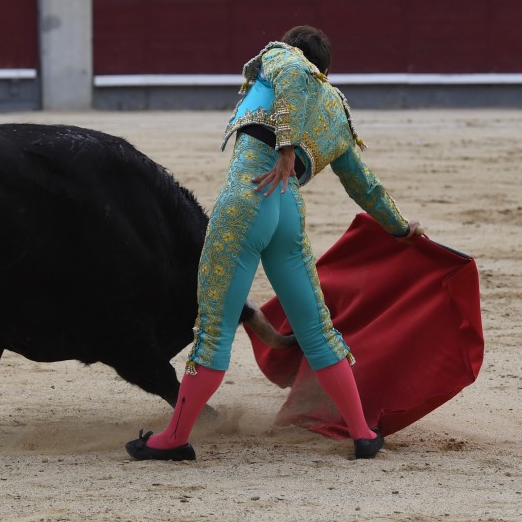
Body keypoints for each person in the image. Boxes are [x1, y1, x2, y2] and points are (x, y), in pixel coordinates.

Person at [125, 25, 422, 462]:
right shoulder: (335, 108)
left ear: (296, 50)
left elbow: (294, 77)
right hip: (287, 212)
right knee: (318, 331)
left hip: (249, 197)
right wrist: (400, 227)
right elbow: (363, 184)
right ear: (328, 70)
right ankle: (362, 433)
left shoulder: (283, 58)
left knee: (214, 331)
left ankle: (174, 438)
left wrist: (286, 147)